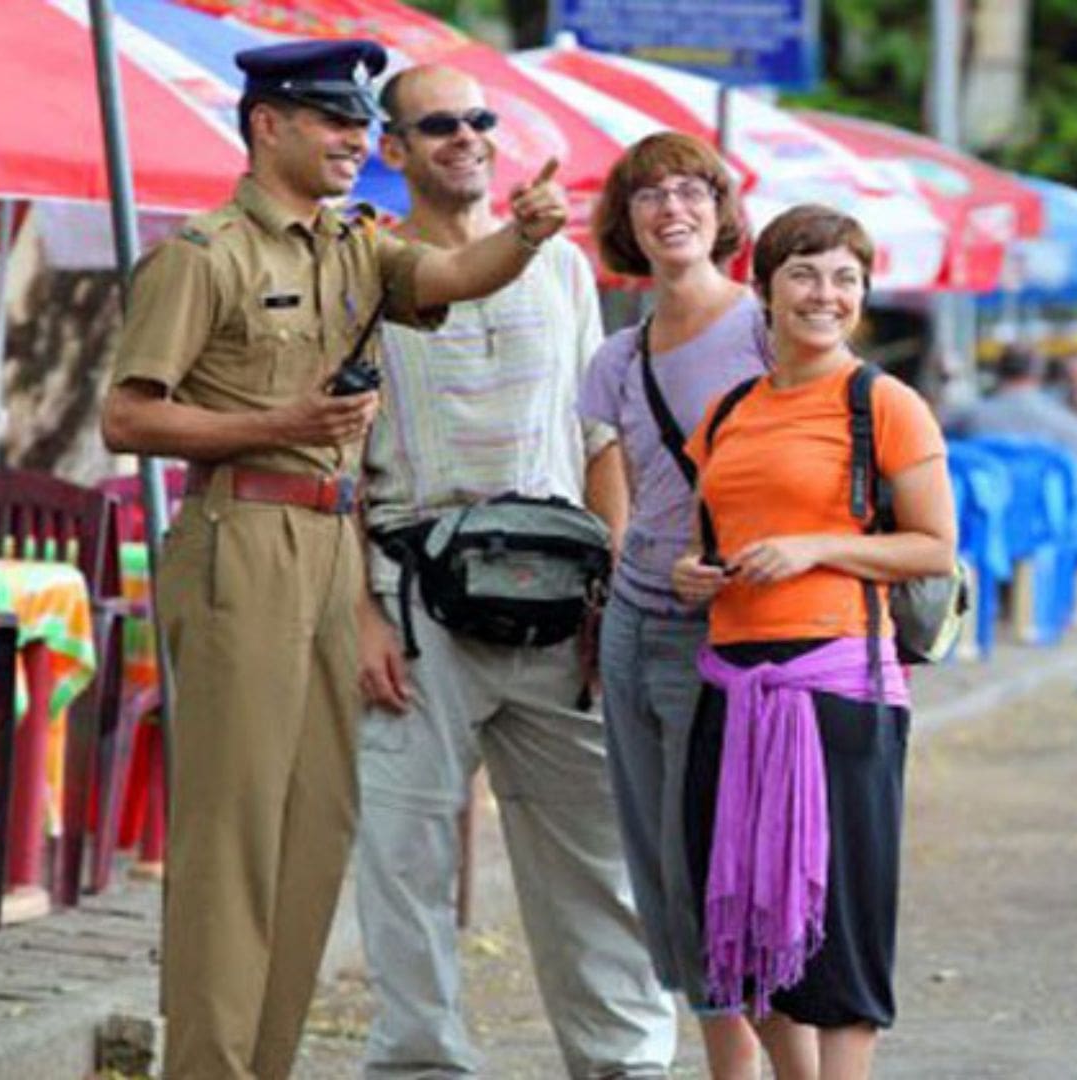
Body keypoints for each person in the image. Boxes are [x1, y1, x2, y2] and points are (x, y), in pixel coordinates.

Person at [98, 40, 568, 1079]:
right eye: (332, 120)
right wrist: (282, 418)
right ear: (268, 125)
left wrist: (528, 238)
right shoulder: (204, 254)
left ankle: (266, 1062)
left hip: (329, 544)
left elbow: (454, 274)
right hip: (241, 539)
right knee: (233, 835)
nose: (360, 139)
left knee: (316, 826)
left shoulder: (356, 244)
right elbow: (127, 416)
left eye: (363, 122)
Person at [349, 65, 676, 1077]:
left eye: (479, 119)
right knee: (404, 860)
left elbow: (599, 440)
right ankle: (420, 1063)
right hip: (412, 601)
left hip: (559, 599)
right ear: (393, 151)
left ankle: (625, 1061)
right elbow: (330, 464)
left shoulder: (565, 268)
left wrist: (613, 591)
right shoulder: (364, 269)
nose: (467, 136)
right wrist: (356, 611)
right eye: (438, 124)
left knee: (599, 854)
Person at [671, 205, 956, 1078]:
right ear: (764, 291)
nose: (823, 295)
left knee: (839, 926)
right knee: (742, 928)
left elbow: (935, 547)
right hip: (731, 685)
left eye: (844, 279)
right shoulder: (727, 413)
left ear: (863, 296)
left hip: (840, 688)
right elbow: (712, 535)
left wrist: (817, 546)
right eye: (803, 274)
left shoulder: (885, 404)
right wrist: (695, 572)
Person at [576, 131, 770, 1078]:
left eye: (692, 191)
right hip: (633, 619)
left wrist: (732, 555)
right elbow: (613, 468)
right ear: (627, 222)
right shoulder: (617, 356)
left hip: (733, 627)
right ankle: (721, 1061)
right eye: (649, 196)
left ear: (721, 212)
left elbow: (830, 451)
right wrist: (620, 563)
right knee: (662, 864)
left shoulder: (770, 329)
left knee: (730, 855)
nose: (672, 209)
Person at [945, 344, 1077, 468]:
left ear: (998, 372)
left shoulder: (968, 417)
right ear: (1039, 374)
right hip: (1044, 518)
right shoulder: (1062, 420)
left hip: (984, 516)